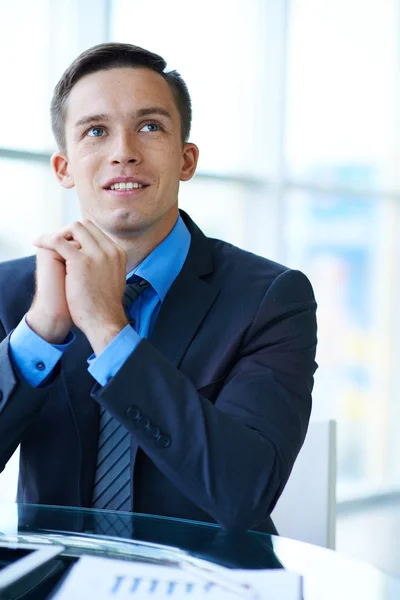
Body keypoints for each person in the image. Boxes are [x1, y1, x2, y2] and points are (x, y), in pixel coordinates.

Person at [0, 42, 317, 534]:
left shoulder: (271, 298)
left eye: (150, 127)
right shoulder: (14, 291)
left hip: (208, 582)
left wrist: (110, 331)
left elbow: (244, 492)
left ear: (186, 159)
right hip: (49, 583)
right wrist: (40, 334)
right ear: (63, 168)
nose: (123, 152)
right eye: (96, 131)